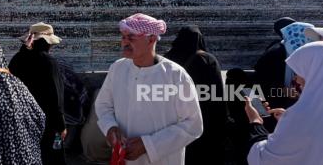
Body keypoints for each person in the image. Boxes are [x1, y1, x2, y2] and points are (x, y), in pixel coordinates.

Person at [95, 13, 203, 165]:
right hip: (124, 159)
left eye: (131, 38)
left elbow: (193, 124)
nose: (124, 43)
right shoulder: (117, 68)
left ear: (151, 39)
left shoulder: (175, 75)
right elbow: (103, 105)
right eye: (123, 37)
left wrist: (148, 145)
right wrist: (110, 127)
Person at [245, 41, 323, 165]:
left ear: (313, 72)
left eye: (299, 71)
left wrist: (256, 123)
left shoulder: (300, 116)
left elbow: (265, 159)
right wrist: (287, 119)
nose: (296, 79)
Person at [165, 25, 226, 165]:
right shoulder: (207, 59)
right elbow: (217, 95)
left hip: (174, 120)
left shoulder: (167, 60)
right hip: (204, 120)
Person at [9, 22, 66, 165]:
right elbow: (55, 97)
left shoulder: (17, 60)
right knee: (51, 157)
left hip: (22, 122)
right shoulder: (49, 62)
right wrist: (61, 125)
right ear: (47, 43)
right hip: (47, 124)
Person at [253, 19, 313, 109]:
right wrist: (283, 91)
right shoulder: (276, 54)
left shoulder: (297, 51)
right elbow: (262, 85)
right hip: (272, 104)